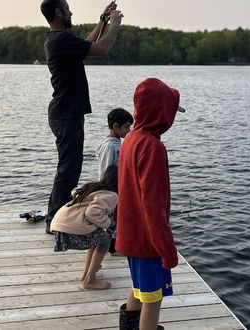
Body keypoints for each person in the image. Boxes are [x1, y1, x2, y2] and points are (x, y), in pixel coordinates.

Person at [40, 0, 123, 234]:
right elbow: (102, 49)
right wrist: (115, 25)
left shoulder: (60, 40)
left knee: (69, 168)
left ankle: (56, 218)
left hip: (66, 113)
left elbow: (87, 45)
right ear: (58, 12)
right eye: (67, 9)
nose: (71, 12)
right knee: (68, 170)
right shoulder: (61, 40)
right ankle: (54, 221)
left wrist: (102, 21)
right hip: (66, 115)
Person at [116, 78, 185, 330]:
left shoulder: (132, 138)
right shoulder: (152, 147)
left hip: (130, 235)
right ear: (162, 112)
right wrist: (167, 249)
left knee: (138, 288)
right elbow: (153, 206)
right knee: (153, 298)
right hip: (147, 241)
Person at [50, 165, 118, 290]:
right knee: (106, 238)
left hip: (60, 227)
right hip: (72, 231)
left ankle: (86, 273)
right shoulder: (111, 195)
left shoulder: (92, 187)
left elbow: (76, 193)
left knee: (98, 236)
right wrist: (110, 223)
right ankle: (90, 280)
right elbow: (92, 213)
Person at [96, 108, 133, 256]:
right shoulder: (111, 147)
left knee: (117, 218)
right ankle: (112, 247)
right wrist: (106, 190)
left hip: (117, 187)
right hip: (111, 188)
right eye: (126, 127)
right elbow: (105, 169)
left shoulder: (115, 142)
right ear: (116, 126)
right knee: (112, 219)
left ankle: (115, 245)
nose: (128, 130)